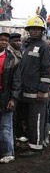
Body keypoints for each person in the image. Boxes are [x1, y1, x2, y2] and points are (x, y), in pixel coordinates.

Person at [19, 16, 50, 157]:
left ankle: (36, 147)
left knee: (37, 119)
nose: (34, 31)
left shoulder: (44, 47)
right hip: (25, 91)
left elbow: (48, 70)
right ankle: (30, 142)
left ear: (42, 31)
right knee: (27, 119)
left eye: (37, 29)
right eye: (32, 29)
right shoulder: (27, 47)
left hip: (38, 93)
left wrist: (42, 90)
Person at [0, 32, 20, 163]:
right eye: (1, 39)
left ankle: (8, 153)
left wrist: (13, 98)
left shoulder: (12, 59)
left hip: (5, 97)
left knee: (6, 126)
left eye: (6, 40)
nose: (3, 42)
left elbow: (16, 81)